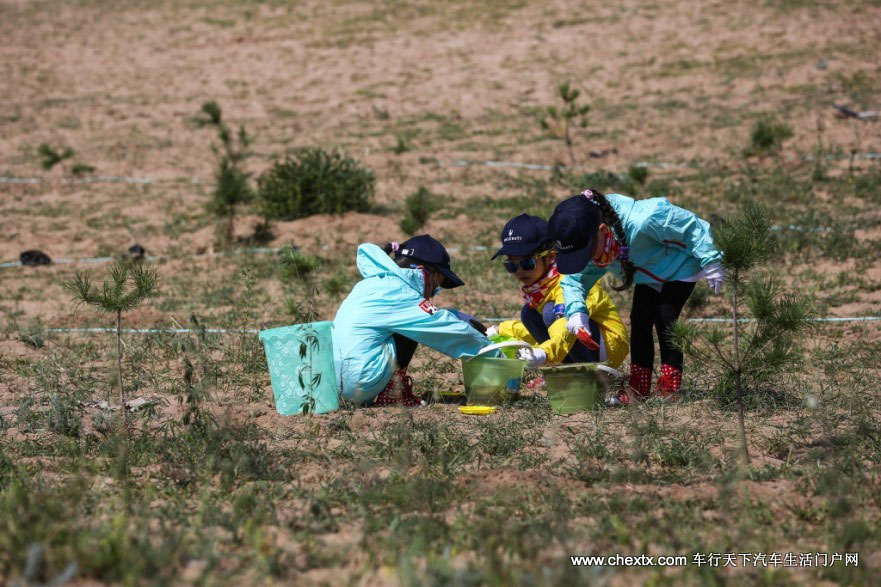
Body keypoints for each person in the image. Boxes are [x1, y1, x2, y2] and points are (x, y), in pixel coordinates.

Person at [548, 189, 724, 404]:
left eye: (585, 254)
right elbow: (574, 279)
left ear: (603, 231)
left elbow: (691, 226)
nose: (586, 260)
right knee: (640, 320)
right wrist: (576, 312)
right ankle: (639, 388)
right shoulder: (599, 244)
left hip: (681, 263)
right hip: (648, 272)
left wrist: (711, 259)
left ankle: (670, 387)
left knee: (665, 318)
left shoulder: (645, 220)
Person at [332, 234, 498, 407]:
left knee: (416, 318)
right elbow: (448, 330)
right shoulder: (401, 294)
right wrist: (494, 352)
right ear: (422, 272)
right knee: (414, 325)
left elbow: (429, 314)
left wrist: (458, 316)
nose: (432, 294)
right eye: (435, 287)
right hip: (360, 384)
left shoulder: (375, 284)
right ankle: (393, 395)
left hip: (335, 384)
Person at [488, 214, 628, 371]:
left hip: (608, 346)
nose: (519, 271)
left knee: (550, 313)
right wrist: (504, 330)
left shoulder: (569, 281)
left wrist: (544, 353)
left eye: (527, 262)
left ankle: (589, 374)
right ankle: (571, 369)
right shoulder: (541, 288)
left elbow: (566, 325)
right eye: (511, 265)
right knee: (528, 313)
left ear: (550, 257)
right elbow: (547, 330)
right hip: (575, 338)